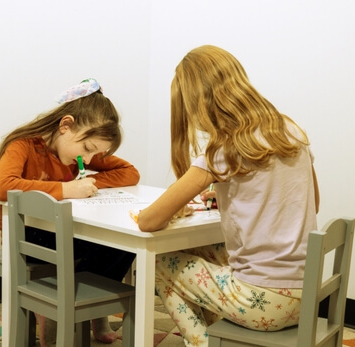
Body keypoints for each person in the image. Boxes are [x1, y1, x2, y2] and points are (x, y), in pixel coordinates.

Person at [137, 45, 319, 346]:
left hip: (263, 301)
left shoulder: (223, 151)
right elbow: (311, 203)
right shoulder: (291, 131)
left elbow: (149, 220)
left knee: (159, 263)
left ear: (198, 102)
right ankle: (219, 336)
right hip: (308, 295)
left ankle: (201, 342)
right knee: (205, 251)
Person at [0, 78, 140, 346]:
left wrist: (88, 185)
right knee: (99, 244)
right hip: (25, 234)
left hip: (61, 230)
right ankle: (56, 309)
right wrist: (67, 189)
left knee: (123, 244)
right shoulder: (23, 145)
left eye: (96, 154)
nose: (90, 160)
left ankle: (91, 312)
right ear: (65, 125)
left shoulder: (79, 155)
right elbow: (4, 187)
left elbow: (130, 173)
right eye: (88, 149)